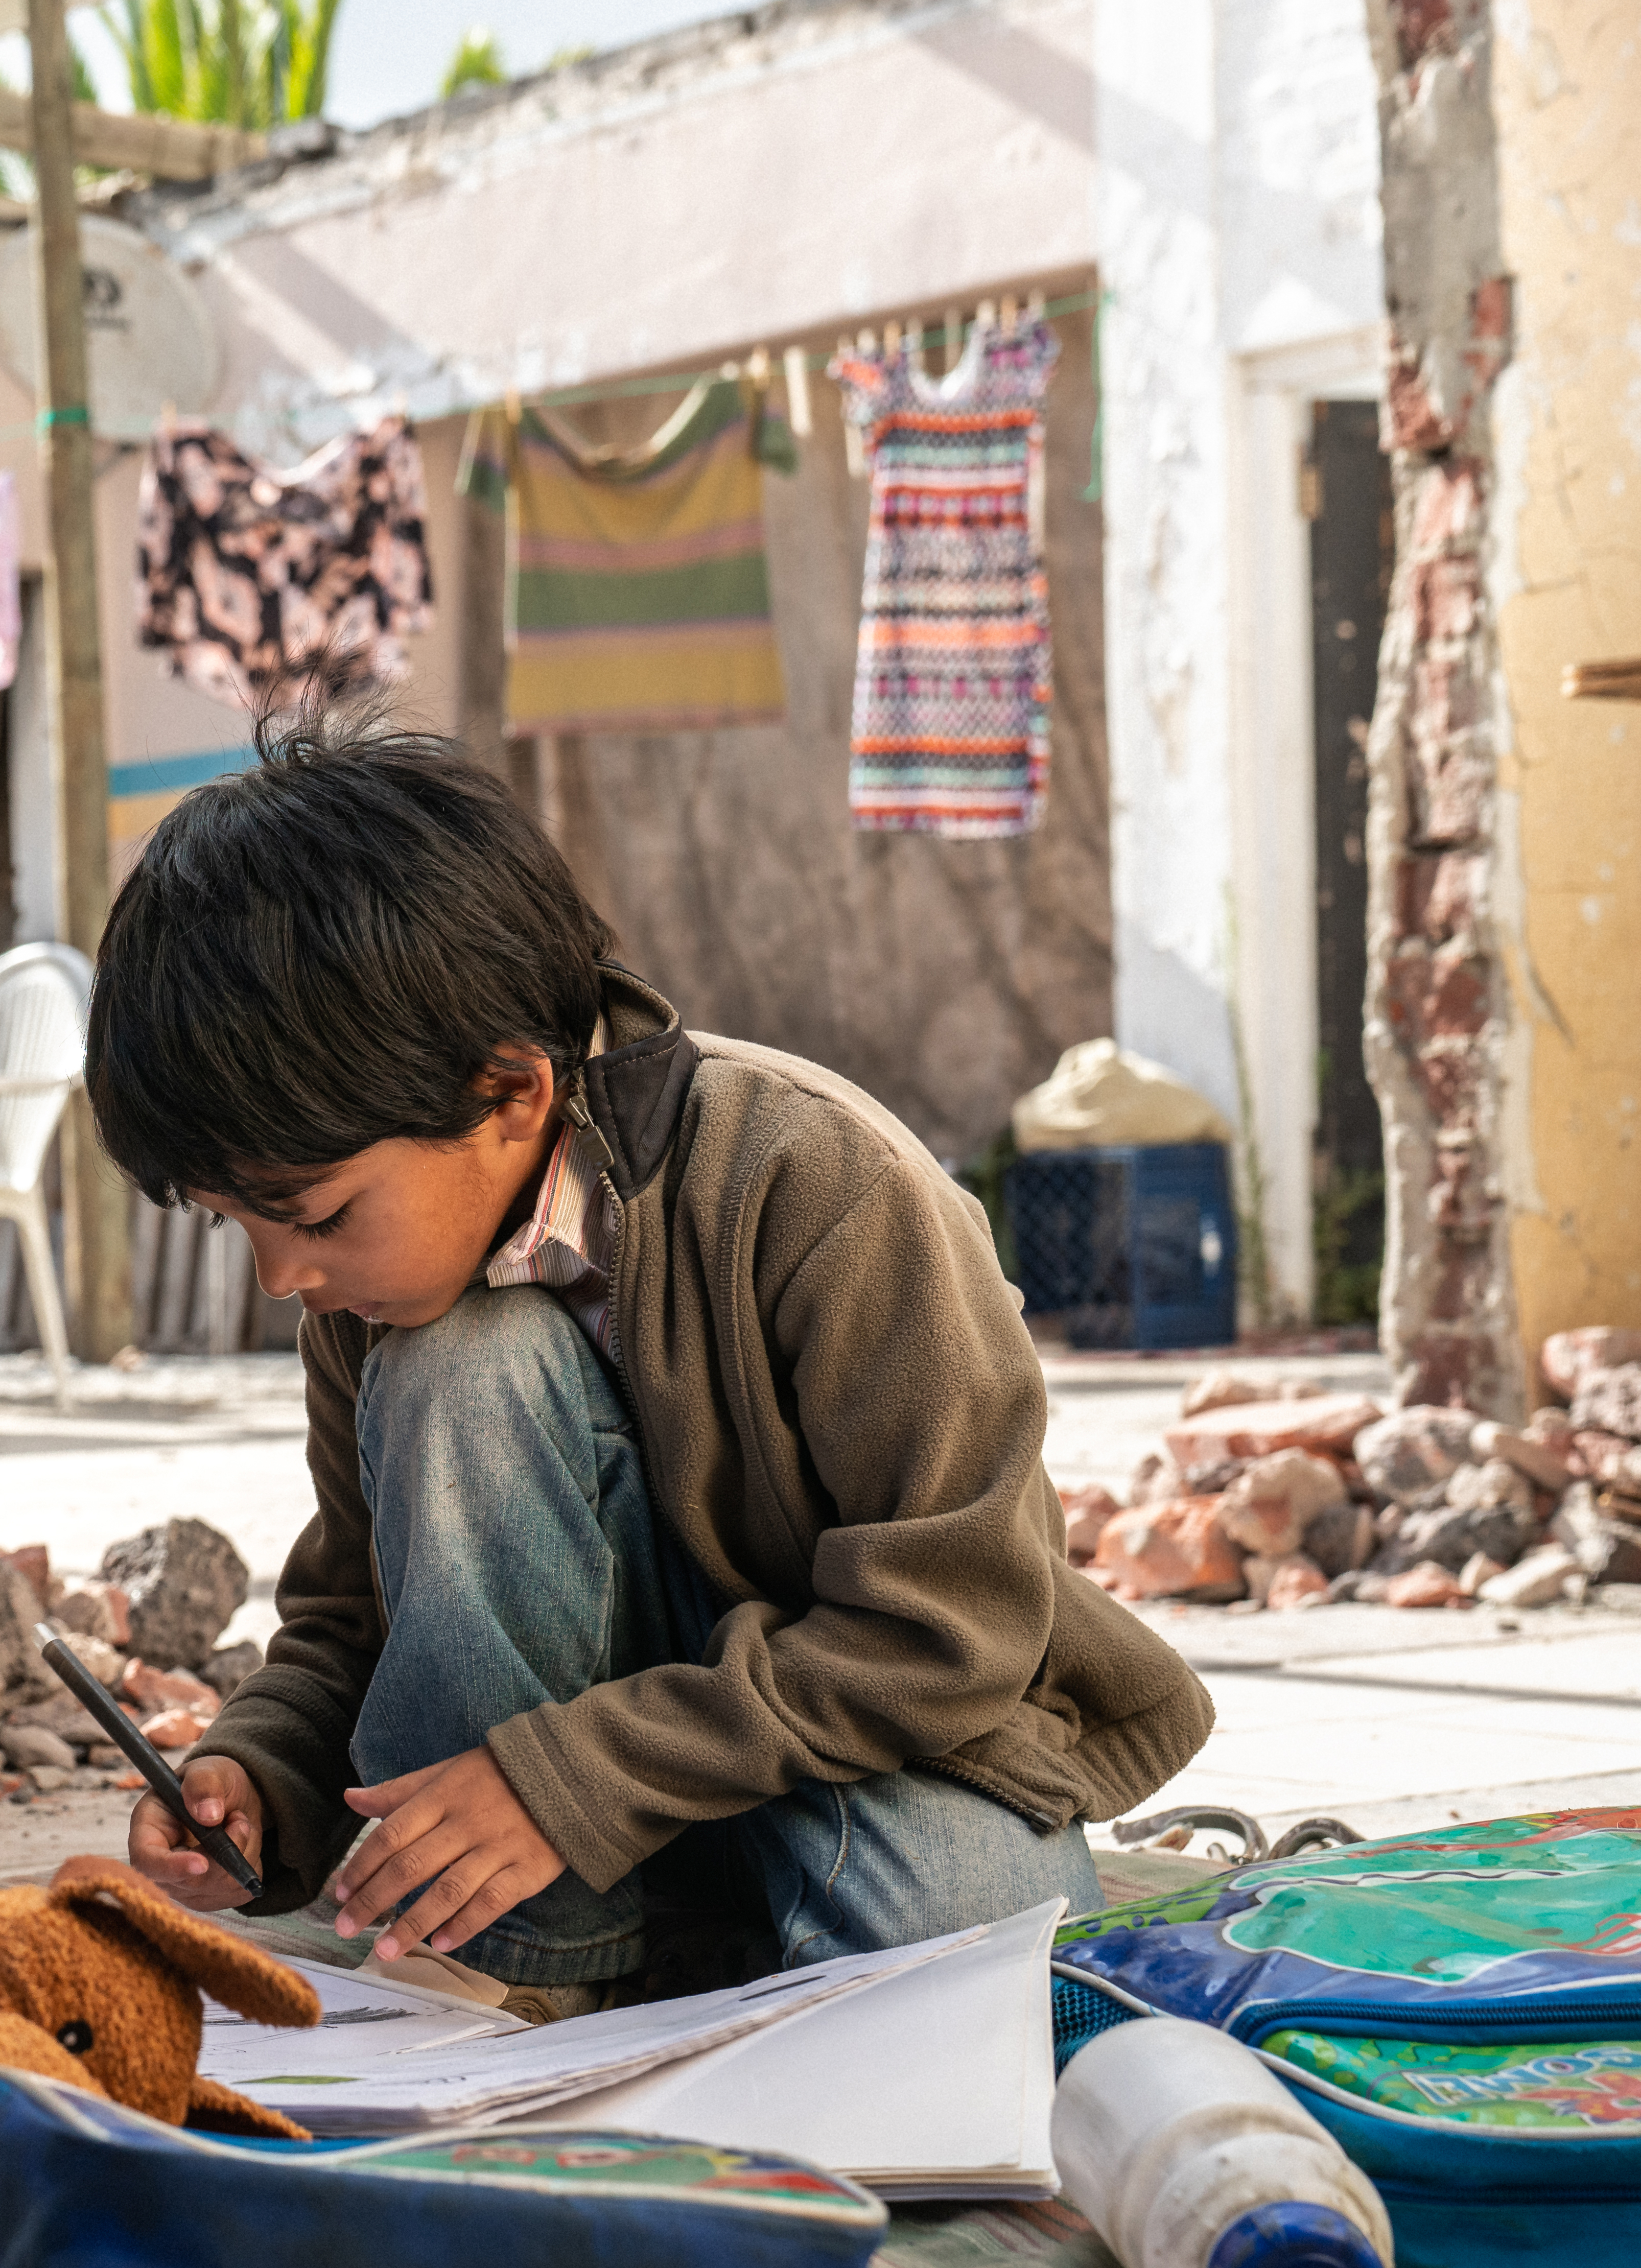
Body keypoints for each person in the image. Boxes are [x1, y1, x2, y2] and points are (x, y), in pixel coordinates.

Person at [99, 702, 1208, 2015]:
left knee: (978, 1975)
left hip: (862, 1744)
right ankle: (522, 1967)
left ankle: (672, 1935)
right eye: (240, 1227)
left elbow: (947, 1630)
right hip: (561, 1838)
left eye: (315, 1214)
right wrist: (262, 1777)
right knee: (465, 1368)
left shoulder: (823, 1183)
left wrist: (572, 1780)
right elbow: (354, 1618)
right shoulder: (382, 1298)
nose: (284, 1277)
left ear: (509, 1095)